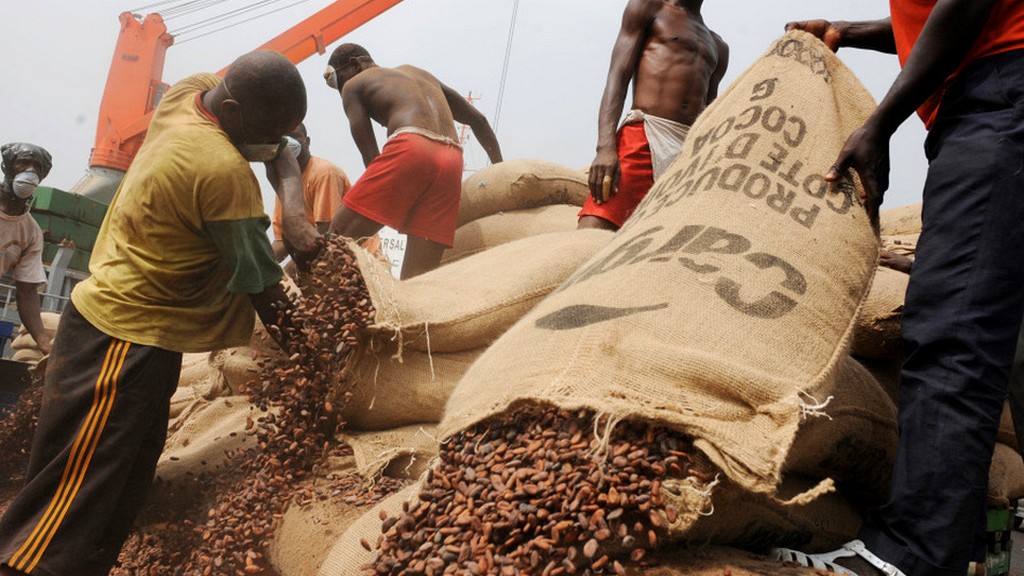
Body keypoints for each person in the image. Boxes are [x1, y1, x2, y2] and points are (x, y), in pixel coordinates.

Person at [0, 50, 307, 576]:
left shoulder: (186, 97)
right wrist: (316, 351)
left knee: (120, 482)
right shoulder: (221, 171)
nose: (274, 143)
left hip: (144, 337)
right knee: (74, 492)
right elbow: (262, 283)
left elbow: (232, 87)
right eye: (269, 131)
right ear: (231, 112)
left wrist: (275, 139)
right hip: (121, 342)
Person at [770, 3, 1024, 575]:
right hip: (997, 96)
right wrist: (848, 33)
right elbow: (931, 18)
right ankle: (947, 548)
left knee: (953, 334)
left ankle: (910, 555)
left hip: (999, 99)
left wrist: (880, 122)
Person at [313, 43, 503, 279]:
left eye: (339, 82)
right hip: (453, 158)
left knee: (334, 245)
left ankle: (315, 314)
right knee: (418, 280)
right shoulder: (419, 73)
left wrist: (397, 209)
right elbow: (479, 121)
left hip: (411, 147)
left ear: (354, 65)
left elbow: (372, 159)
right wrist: (501, 173)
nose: (341, 91)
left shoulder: (353, 86)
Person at [578, 0, 728, 232]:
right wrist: (605, 147)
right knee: (596, 225)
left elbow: (709, 111)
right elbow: (618, 76)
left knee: (668, 237)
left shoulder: (718, 46)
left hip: (686, 150)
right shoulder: (649, 7)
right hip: (644, 135)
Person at [0, 143, 54, 355]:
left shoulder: (31, 232)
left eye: (37, 167)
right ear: (8, 167)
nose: (30, 171)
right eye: (24, 163)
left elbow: (27, 292)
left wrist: (44, 343)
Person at [271, 122, 351, 264]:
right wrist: (262, 268)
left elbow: (325, 234)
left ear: (307, 142)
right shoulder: (285, 181)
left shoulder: (324, 174)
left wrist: (288, 274)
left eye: (294, 137)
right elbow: (282, 241)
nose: (288, 142)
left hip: (351, 257)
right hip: (318, 255)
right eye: (283, 138)